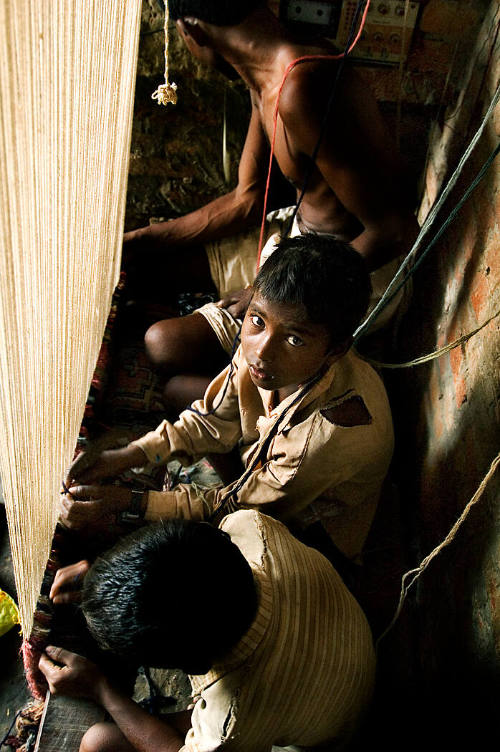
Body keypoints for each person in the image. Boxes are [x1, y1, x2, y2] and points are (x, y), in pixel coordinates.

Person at [124, 0, 420, 412]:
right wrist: (136, 241)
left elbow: (395, 231)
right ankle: (243, 375)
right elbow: (248, 200)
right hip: (297, 243)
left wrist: (262, 292)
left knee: (164, 348)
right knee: (140, 269)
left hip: (353, 274)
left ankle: (287, 397)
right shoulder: (264, 76)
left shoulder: (302, 89)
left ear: (191, 31)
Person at [60, 235, 394, 579]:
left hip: (311, 536)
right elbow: (211, 420)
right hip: (270, 468)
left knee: (203, 561)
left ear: (336, 350)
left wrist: (128, 502)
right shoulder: (267, 353)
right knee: (181, 395)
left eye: (295, 339)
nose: (261, 351)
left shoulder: (325, 435)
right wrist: (129, 454)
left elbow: (239, 507)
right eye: (258, 321)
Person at [39, 512, 376, 752]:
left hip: (335, 734)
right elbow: (177, 565)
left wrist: (101, 689)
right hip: (346, 656)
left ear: (197, 669)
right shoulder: (252, 528)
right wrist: (107, 576)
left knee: (100, 743)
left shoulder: (233, 716)